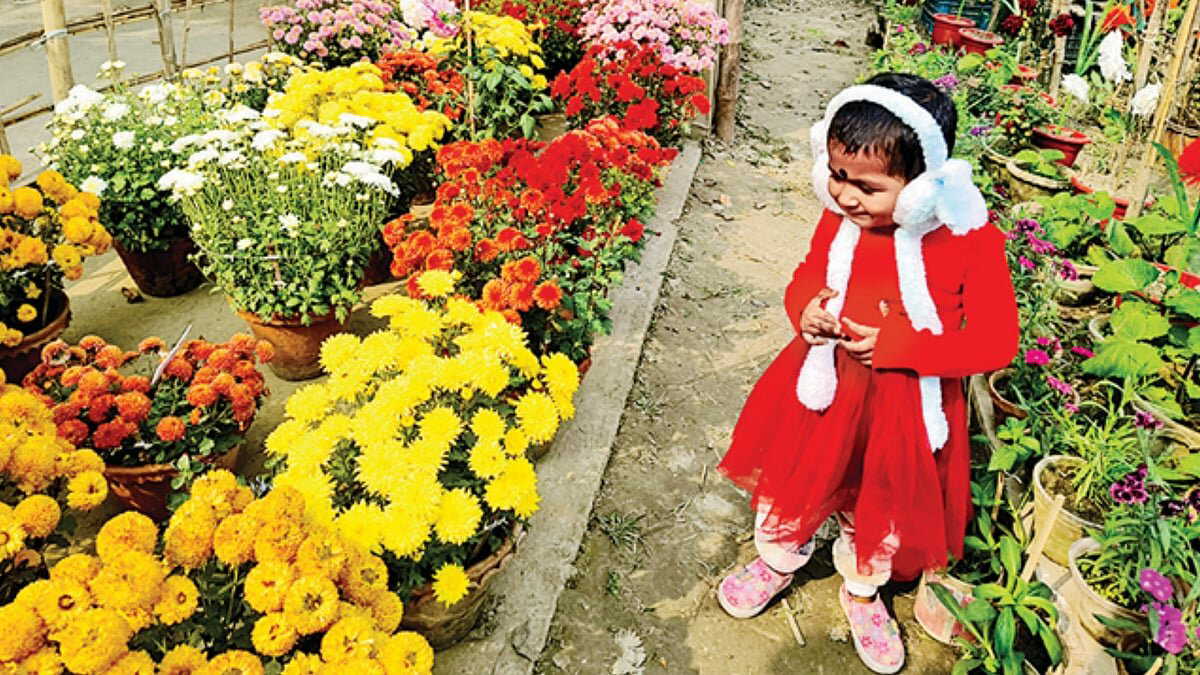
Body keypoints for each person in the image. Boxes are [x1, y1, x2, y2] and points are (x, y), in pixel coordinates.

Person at [715, 72, 1018, 674]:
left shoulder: (968, 239)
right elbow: (808, 272)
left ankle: (863, 585)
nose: (847, 196)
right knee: (800, 473)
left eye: (868, 187)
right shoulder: (842, 218)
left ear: (920, 187)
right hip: (823, 386)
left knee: (882, 495)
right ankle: (779, 556)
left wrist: (902, 345)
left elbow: (995, 341)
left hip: (905, 402)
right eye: (836, 175)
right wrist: (804, 310)